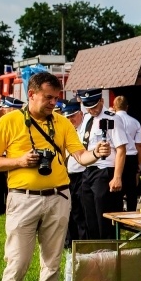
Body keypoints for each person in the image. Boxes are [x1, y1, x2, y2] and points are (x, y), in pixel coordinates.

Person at [0, 72, 111, 281]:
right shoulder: (10, 122)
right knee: (17, 263)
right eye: (49, 97)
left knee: (51, 264)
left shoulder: (62, 124)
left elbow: (79, 155)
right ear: (31, 95)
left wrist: (95, 153)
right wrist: (18, 161)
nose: (54, 102)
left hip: (58, 198)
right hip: (22, 198)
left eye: (57, 98)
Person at [78, 89, 128, 240]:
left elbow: (121, 149)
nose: (92, 110)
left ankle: (107, 248)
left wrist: (117, 177)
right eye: (88, 107)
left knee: (103, 216)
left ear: (102, 101)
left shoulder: (111, 119)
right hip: (87, 170)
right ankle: (94, 247)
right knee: (89, 214)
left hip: (104, 170)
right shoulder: (86, 119)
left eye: (94, 106)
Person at [60, 99, 88, 247]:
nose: (70, 120)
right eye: (67, 117)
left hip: (82, 173)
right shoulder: (65, 129)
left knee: (81, 210)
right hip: (67, 174)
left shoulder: (85, 129)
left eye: (73, 116)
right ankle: (70, 240)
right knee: (69, 210)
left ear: (80, 114)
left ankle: (82, 241)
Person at [113, 96, 141, 211]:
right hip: (131, 156)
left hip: (116, 156)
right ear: (127, 107)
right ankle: (131, 212)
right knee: (131, 188)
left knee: (116, 187)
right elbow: (138, 145)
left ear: (114, 107)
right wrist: (139, 162)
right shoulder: (135, 122)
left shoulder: (112, 120)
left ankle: (117, 212)